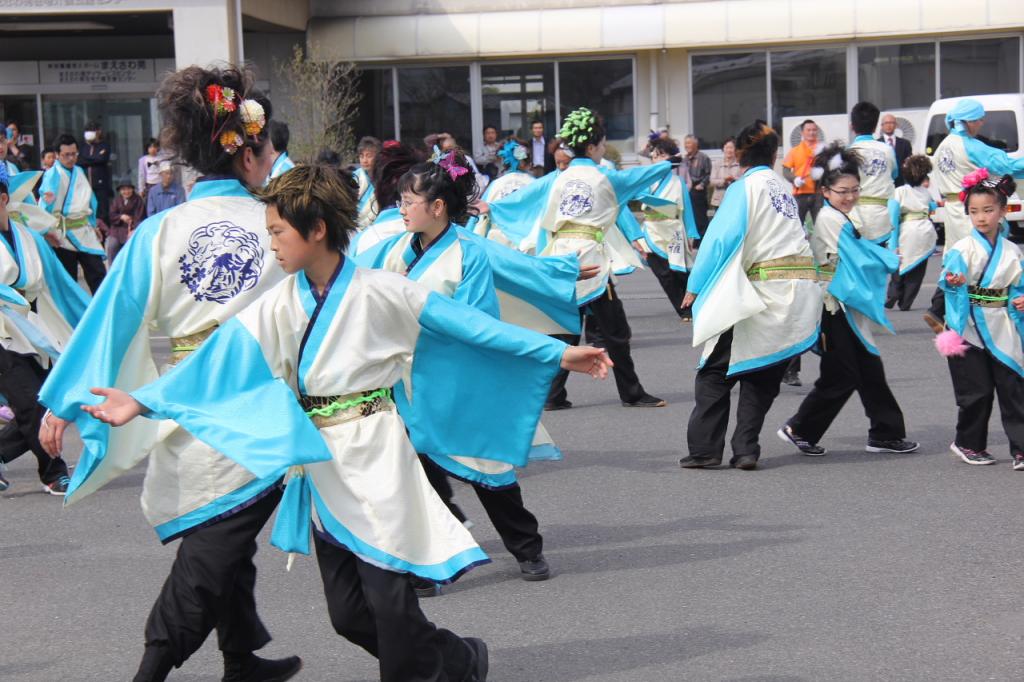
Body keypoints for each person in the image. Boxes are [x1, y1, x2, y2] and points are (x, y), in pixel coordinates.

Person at [81, 163, 610, 681]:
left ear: (316, 230)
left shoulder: (382, 289)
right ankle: (459, 659)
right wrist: (143, 402)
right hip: (325, 468)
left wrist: (557, 354)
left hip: (377, 455)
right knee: (349, 615)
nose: (271, 246)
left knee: (388, 605)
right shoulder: (278, 303)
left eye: (278, 233)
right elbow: (217, 359)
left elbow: (472, 327)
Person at [36, 65, 301, 682]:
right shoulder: (278, 224)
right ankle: (152, 669)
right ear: (250, 152)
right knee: (213, 547)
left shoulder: (158, 230)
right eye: (265, 148)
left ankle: (241, 658)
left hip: (182, 400)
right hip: (258, 402)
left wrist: (66, 399)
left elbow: (110, 320)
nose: (270, 158)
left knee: (219, 534)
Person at [355, 149, 583, 590]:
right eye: (400, 201)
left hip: (456, 376)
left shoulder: (469, 253)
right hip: (403, 381)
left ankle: (527, 545)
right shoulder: (392, 250)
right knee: (414, 470)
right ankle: (431, 560)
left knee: (486, 468)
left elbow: (478, 319)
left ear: (437, 207)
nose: (401, 210)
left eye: (409, 202)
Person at [487, 107, 670, 410]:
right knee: (616, 332)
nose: (602, 150)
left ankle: (552, 395)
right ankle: (632, 392)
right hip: (591, 262)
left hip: (561, 263)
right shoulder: (603, 177)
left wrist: (490, 208)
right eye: (600, 145)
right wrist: (666, 165)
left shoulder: (559, 178)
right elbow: (639, 176)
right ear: (591, 146)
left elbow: (524, 198)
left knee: (566, 331)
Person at [678, 120, 823, 471]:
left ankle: (705, 450)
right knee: (762, 372)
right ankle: (746, 449)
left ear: (740, 155)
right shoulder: (783, 188)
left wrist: (695, 285)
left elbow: (720, 238)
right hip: (800, 291)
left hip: (762, 290)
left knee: (715, 371)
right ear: (774, 155)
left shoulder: (744, 188)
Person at [778, 143, 918, 458]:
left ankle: (886, 432)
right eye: (843, 191)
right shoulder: (831, 218)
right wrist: (889, 259)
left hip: (842, 303)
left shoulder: (836, 215)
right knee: (842, 374)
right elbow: (859, 256)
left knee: (868, 367)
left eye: (855, 190)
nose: (851, 196)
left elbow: (858, 252)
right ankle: (799, 428)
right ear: (826, 191)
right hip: (832, 305)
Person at [0, 166, 89, 495]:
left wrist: (94, 317)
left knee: (45, 398)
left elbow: (61, 286)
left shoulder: (28, 238)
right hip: (3, 332)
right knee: (30, 402)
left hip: (34, 329)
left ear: (4, 198)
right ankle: (53, 471)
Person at [935, 172, 1024, 467]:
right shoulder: (963, 248)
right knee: (977, 391)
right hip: (969, 325)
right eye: (974, 212)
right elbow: (946, 280)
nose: (981, 217)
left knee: (1013, 387)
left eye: (988, 210)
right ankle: (968, 443)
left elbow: (1019, 287)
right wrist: (953, 280)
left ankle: (1021, 448)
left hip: (1003, 324)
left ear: (1002, 211)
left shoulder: (1013, 252)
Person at [924, 98, 1024, 333]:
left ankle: (940, 309)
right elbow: (1006, 164)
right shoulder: (970, 145)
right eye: (979, 119)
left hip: (953, 209)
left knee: (958, 258)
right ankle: (956, 312)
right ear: (969, 121)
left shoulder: (944, 145)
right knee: (984, 259)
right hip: (974, 209)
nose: (981, 123)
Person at [637, 137, 699, 320]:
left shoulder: (678, 182)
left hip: (673, 231)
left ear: (671, 158)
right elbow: (637, 195)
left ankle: (692, 305)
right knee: (663, 275)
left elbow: (686, 209)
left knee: (679, 272)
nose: (657, 159)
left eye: (662, 155)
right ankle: (683, 310)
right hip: (652, 230)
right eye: (655, 156)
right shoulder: (646, 179)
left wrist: (691, 233)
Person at [39, 133, 107, 293]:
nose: (71, 158)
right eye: (66, 155)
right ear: (57, 155)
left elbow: (90, 201)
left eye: (74, 154)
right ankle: (73, 318)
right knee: (69, 283)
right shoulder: (52, 174)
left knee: (98, 274)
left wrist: (93, 225)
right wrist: (46, 231)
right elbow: (45, 205)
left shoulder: (79, 171)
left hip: (84, 230)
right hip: (61, 235)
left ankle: (103, 313)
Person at [886, 155, 937, 311]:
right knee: (918, 268)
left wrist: (892, 242)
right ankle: (906, 301)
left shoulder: (899, 191)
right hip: (926, 230)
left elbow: (893, 216)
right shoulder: (926, 192)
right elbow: (932, 207)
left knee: (900, 262)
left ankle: (893, 293)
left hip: (908, 229)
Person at [849, 101, 898, 243]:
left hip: (854, 217)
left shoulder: (848, 152)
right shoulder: (887, 150)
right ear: (876, 126)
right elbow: (894, 174)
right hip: (881, 216)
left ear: (852, 126)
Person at [472, 139, 535, 249]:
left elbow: (482, 218)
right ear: (527, 162)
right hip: (527, 241)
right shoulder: (535, 183)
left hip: (498, 242)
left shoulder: (495, 185)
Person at [781, 120, 823, 226]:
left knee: (820, 225)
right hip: (800, 194)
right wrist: (794, 179)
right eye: (808, 130)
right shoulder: (794, 151)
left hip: (818, 193)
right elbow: (785, 170)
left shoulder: (823, 150)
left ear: (817, 131)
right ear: (802, 133)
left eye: (814, 130)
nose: (811, 132)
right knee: (797, 226)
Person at [80, 121, 114, 229]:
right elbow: (80, 161)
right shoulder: (83, 146)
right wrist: (95, 159)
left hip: (100, 185)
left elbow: (102, 159)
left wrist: (89, 160)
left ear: (98, 131)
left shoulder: (104, 145)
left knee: (102, 211)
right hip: (85, 185)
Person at [107, 181, 145, 263]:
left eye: (128, 189)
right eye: (123, 190)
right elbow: (111, 215)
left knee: (131, 247)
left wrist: (133, 228)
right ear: (120, 191)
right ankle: (112, 270)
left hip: (132, 229)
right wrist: (120, 217)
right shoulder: (116, 200)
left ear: (132, 189)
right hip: (117, 229)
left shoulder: (138, 200)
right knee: (112, 245)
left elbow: (140, 217)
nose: (126, 192)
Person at [683, 134, 711, 237]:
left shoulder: (703, 157)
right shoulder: (684, 159)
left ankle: (703, 239)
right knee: (690, 216)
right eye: (685, 143)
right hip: (687, 190)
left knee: (700, 217)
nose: (687, 145)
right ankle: (693, 239)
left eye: (689, 143)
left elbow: (708, 174)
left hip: (698, 190)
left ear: (696, 144)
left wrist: (702, 184)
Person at [878, 113, 913, 187]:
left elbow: (909, 163)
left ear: (896, 125)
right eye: (886, 123)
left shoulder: (905, 144)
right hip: (883, 183)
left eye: (891, 123)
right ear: (882, 126)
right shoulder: (876, 144)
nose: (889, 125)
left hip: (901, 183)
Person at [354, 135, 381, 228]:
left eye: (368, 156)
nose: (364, 160)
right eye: (361, 156)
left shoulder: (383, 178)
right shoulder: (354, 177)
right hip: (355, 225)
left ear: (377, 157)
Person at [710, 137, 741, 215]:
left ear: (735, 149)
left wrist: (734, 179)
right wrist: (724, 180)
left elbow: (744, 180)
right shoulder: (717, 163)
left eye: (731, 148)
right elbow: (712, 181)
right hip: (719, 200)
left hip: (735, 199)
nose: (729, 150)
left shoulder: (740, 164)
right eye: (727, 147)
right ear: (723, 149)